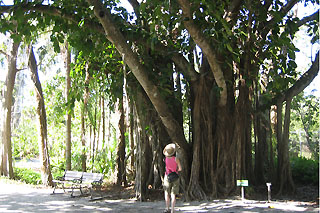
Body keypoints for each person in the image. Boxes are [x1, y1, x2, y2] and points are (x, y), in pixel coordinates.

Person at [163, 143, 182, 213]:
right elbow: (180, 168)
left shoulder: (165, 159)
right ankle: (173, 210)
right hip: (175, 177)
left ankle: (167, 208)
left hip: (167, 176)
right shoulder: (176, 159)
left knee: (166, 193)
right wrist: (176, 170)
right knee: (173, 194)